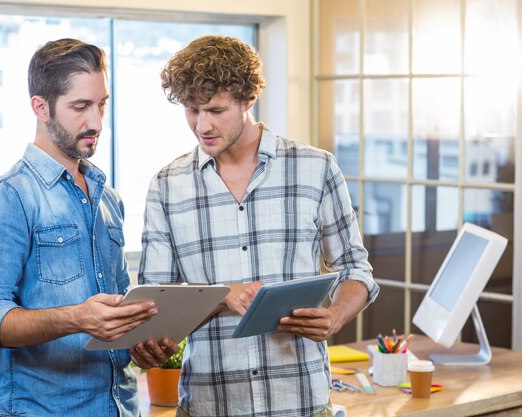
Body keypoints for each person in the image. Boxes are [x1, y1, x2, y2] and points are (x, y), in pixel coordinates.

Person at [138, 35, 380, 417]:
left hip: (300, 401)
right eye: (191, 110)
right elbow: (158, 298)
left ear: (248, 99)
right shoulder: (167, 185)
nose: (202, 125)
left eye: (216, 110)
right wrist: (218, 297)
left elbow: (355, 270)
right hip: (209, 404)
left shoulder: (315, 168)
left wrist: (334, 316)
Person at [0, 38, 177, 417]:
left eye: (101, 105)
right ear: (40, 107)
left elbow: (115, 312)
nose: (95, 122)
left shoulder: (107, 199)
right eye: (80, 107)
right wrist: (76, 318)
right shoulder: (7, 199)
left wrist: (140, 342)